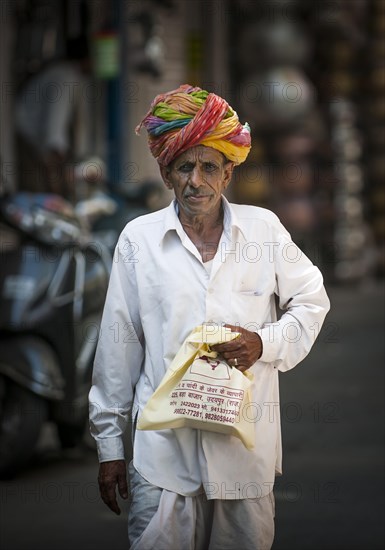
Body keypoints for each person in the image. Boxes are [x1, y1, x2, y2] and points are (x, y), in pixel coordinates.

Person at [89, 84, 330, 550]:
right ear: (166, 174)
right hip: (162, 459)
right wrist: (110, 449)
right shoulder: (137, 240)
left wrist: (264, 343)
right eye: (184, 167)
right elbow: (119, 346)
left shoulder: (263, 230)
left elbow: (312, 299)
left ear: (227, 174)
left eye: (208, 167)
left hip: (244, 456)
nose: (195, 181)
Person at [15, 37, 91, 200]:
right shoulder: (65, 77)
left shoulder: (67, 74)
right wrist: (56, 154)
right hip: (30, 136)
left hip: (34, 136)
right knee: (40, 193)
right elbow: (55, 121)